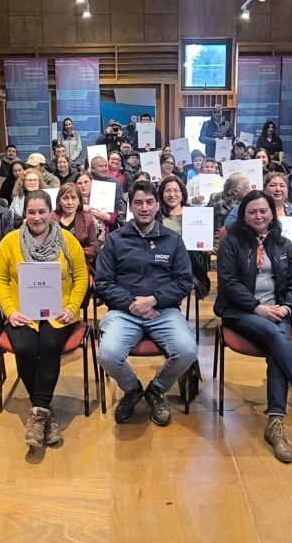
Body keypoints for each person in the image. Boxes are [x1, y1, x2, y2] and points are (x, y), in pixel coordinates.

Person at [215, 190, 292, 462]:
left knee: (276, 350)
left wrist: (289, 307)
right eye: (252, 212)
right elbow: (229, 283)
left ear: (272, 213)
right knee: (273, 333)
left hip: (279, 312)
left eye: (263, 211)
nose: (259, 216)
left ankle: (276, 425)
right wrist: (258, 307)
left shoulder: (283, 244)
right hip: (241, 311)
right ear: (243, 216)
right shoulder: (232, 243)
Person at [96, 180, 197, 427]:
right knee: (108, 355)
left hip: (163, 311)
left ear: (157, 205)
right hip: (123, 312)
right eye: (138, 203)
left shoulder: (172, 240)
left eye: (149, 202)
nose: (144, 208)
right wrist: (132, 303)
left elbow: (184, 281)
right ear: (130, 207)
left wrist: (155, 300)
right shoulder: (115, 240)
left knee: (187, 351)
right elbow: (103, 282)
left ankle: (156, 389)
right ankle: (132, 389)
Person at [0, 190, 88, 447]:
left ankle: (37, 414)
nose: (37, 217)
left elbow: (81, 277)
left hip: (59, 314)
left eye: (42, 211)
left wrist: (72, 306)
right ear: (25, 214)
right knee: (24, 346)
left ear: (51, 213)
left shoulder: (67, 241)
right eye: (31, 212)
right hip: (22, 314)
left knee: (48, 345)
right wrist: (10, 311)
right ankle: (45, 412)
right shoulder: (10, 242)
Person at [158, 176, 210, 299]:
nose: (172, 194)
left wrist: (206, 246)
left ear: (182, 193)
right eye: (167, 190)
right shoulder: (156, 216)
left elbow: (202, 238)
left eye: (176, 190)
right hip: (162, 264)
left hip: (190, 264)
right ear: (162, 193)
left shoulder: (195, 213)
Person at [52, 183, 99, 270]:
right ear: (59, 201)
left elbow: (94, 247)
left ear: (79, 201)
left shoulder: (87, 219)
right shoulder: (50, 219)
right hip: (54, 264)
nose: (70, 202)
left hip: (80, 263)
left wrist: (75, 254)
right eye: (65, 198)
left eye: (73, 198)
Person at [262, 172, 292, 246]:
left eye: (282, 186)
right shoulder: (257, 209)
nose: (278, 189)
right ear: (264, 188)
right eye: (273, 185)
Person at [209, 173, 251, 248]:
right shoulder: (215, 199)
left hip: (241, 242)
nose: (250, 190)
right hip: (218, 242)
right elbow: (209, 224)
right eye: (247, 188)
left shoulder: (249, 201)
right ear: (236, 191)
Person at [87, 156, 121, 232]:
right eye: (101, 166)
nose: (105, 169)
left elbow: (120, 207)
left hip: (111, 223)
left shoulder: (115, 182)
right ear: (92, 169)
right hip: (90, 221)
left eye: (106, 166)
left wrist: (109, 217)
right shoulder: (87, 181)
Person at [75, 171, 108, 246]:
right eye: (79, 183)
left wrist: (106, 216)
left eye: (86, 182)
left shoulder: (102, 197)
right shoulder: (73, 200)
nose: (83, 185)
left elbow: (114, 218)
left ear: (92, 183)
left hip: (101, 239)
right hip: (82, 239)